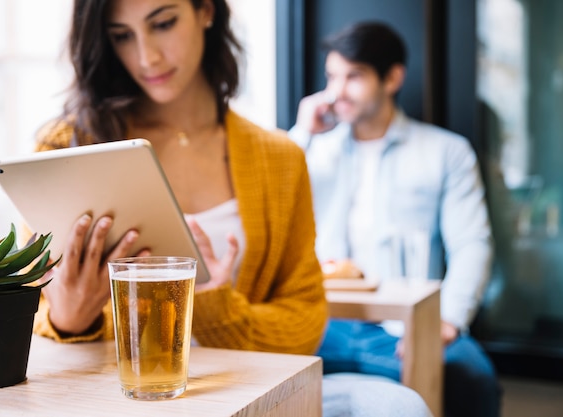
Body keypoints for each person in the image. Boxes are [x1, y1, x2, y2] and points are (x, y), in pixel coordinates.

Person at [30, 1, 433, 416]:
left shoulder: (279, 158)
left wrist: (214, 306)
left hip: (250, 392)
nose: (146, 56)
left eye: (163, 23)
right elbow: (26, 312)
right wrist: (69, 319)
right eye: (121, 35)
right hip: (117, 399)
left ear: (206, 11)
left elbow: (304, 320)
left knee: (399, 406)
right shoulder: (67, 148)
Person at [288, 21, 501, 417]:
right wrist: (303, 132)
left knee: (472, 379)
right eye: (332, 76)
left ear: (392, 78)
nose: (337, 91)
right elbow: (269, 202)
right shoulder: (310, 150)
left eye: (354, 76)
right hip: (323, 322)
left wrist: (449, 320)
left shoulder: (446, 152)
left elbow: (472, 243)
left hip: (403, 327)